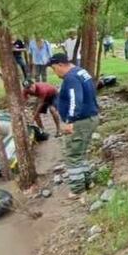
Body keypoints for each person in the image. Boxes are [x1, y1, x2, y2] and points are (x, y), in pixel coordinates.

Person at [49, 53, 99, 197]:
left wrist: (70, 120)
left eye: (53, 68)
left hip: (80, 121)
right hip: (90, 117)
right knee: (81, 153)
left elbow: (75, 99)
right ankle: (88, 182)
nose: (54, 72)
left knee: (72, 155)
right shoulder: (81, 71)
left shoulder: (70, 77)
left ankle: (77, 189)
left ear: (60, 65)